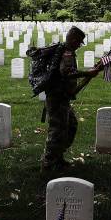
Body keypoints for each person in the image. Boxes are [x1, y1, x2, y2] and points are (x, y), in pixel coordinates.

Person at [42, 26, 100, 172]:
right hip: (57, 98)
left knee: (70, 125)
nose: (80, 45)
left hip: (63, 97)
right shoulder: (66, 54)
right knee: (57, 130)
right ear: (73, 40)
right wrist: (87, 72)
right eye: (79, 42)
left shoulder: (66, 52)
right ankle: (48, 164)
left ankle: (58, 158)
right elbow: (66, 73)